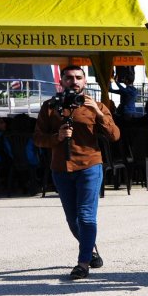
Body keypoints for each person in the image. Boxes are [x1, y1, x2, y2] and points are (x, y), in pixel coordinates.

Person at [31, 64, 120, 279]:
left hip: (89, 166)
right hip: (61, 168)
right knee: (73, 220)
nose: (74, 81)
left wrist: (98, 113)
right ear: (61, 81)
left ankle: (82, 264)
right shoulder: (50, 107)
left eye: (78, 77)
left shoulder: (96, 105)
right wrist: (57, 137)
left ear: (84, 81)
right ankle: (90, 250)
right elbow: (38, 138)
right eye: (69, 78)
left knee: (86, 216)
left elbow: (115, 135)